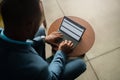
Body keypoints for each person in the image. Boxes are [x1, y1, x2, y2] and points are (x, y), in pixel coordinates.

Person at [0, 0, 86, 80]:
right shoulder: (39, 67)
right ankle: (54, 61)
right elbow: (52, 77)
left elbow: (18, 43)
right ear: (29, 26)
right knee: (81, 64)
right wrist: (61, 53)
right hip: (42, 74)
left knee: (40, 31)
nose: (40, 23)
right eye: (39, 20)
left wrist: (43, 39)